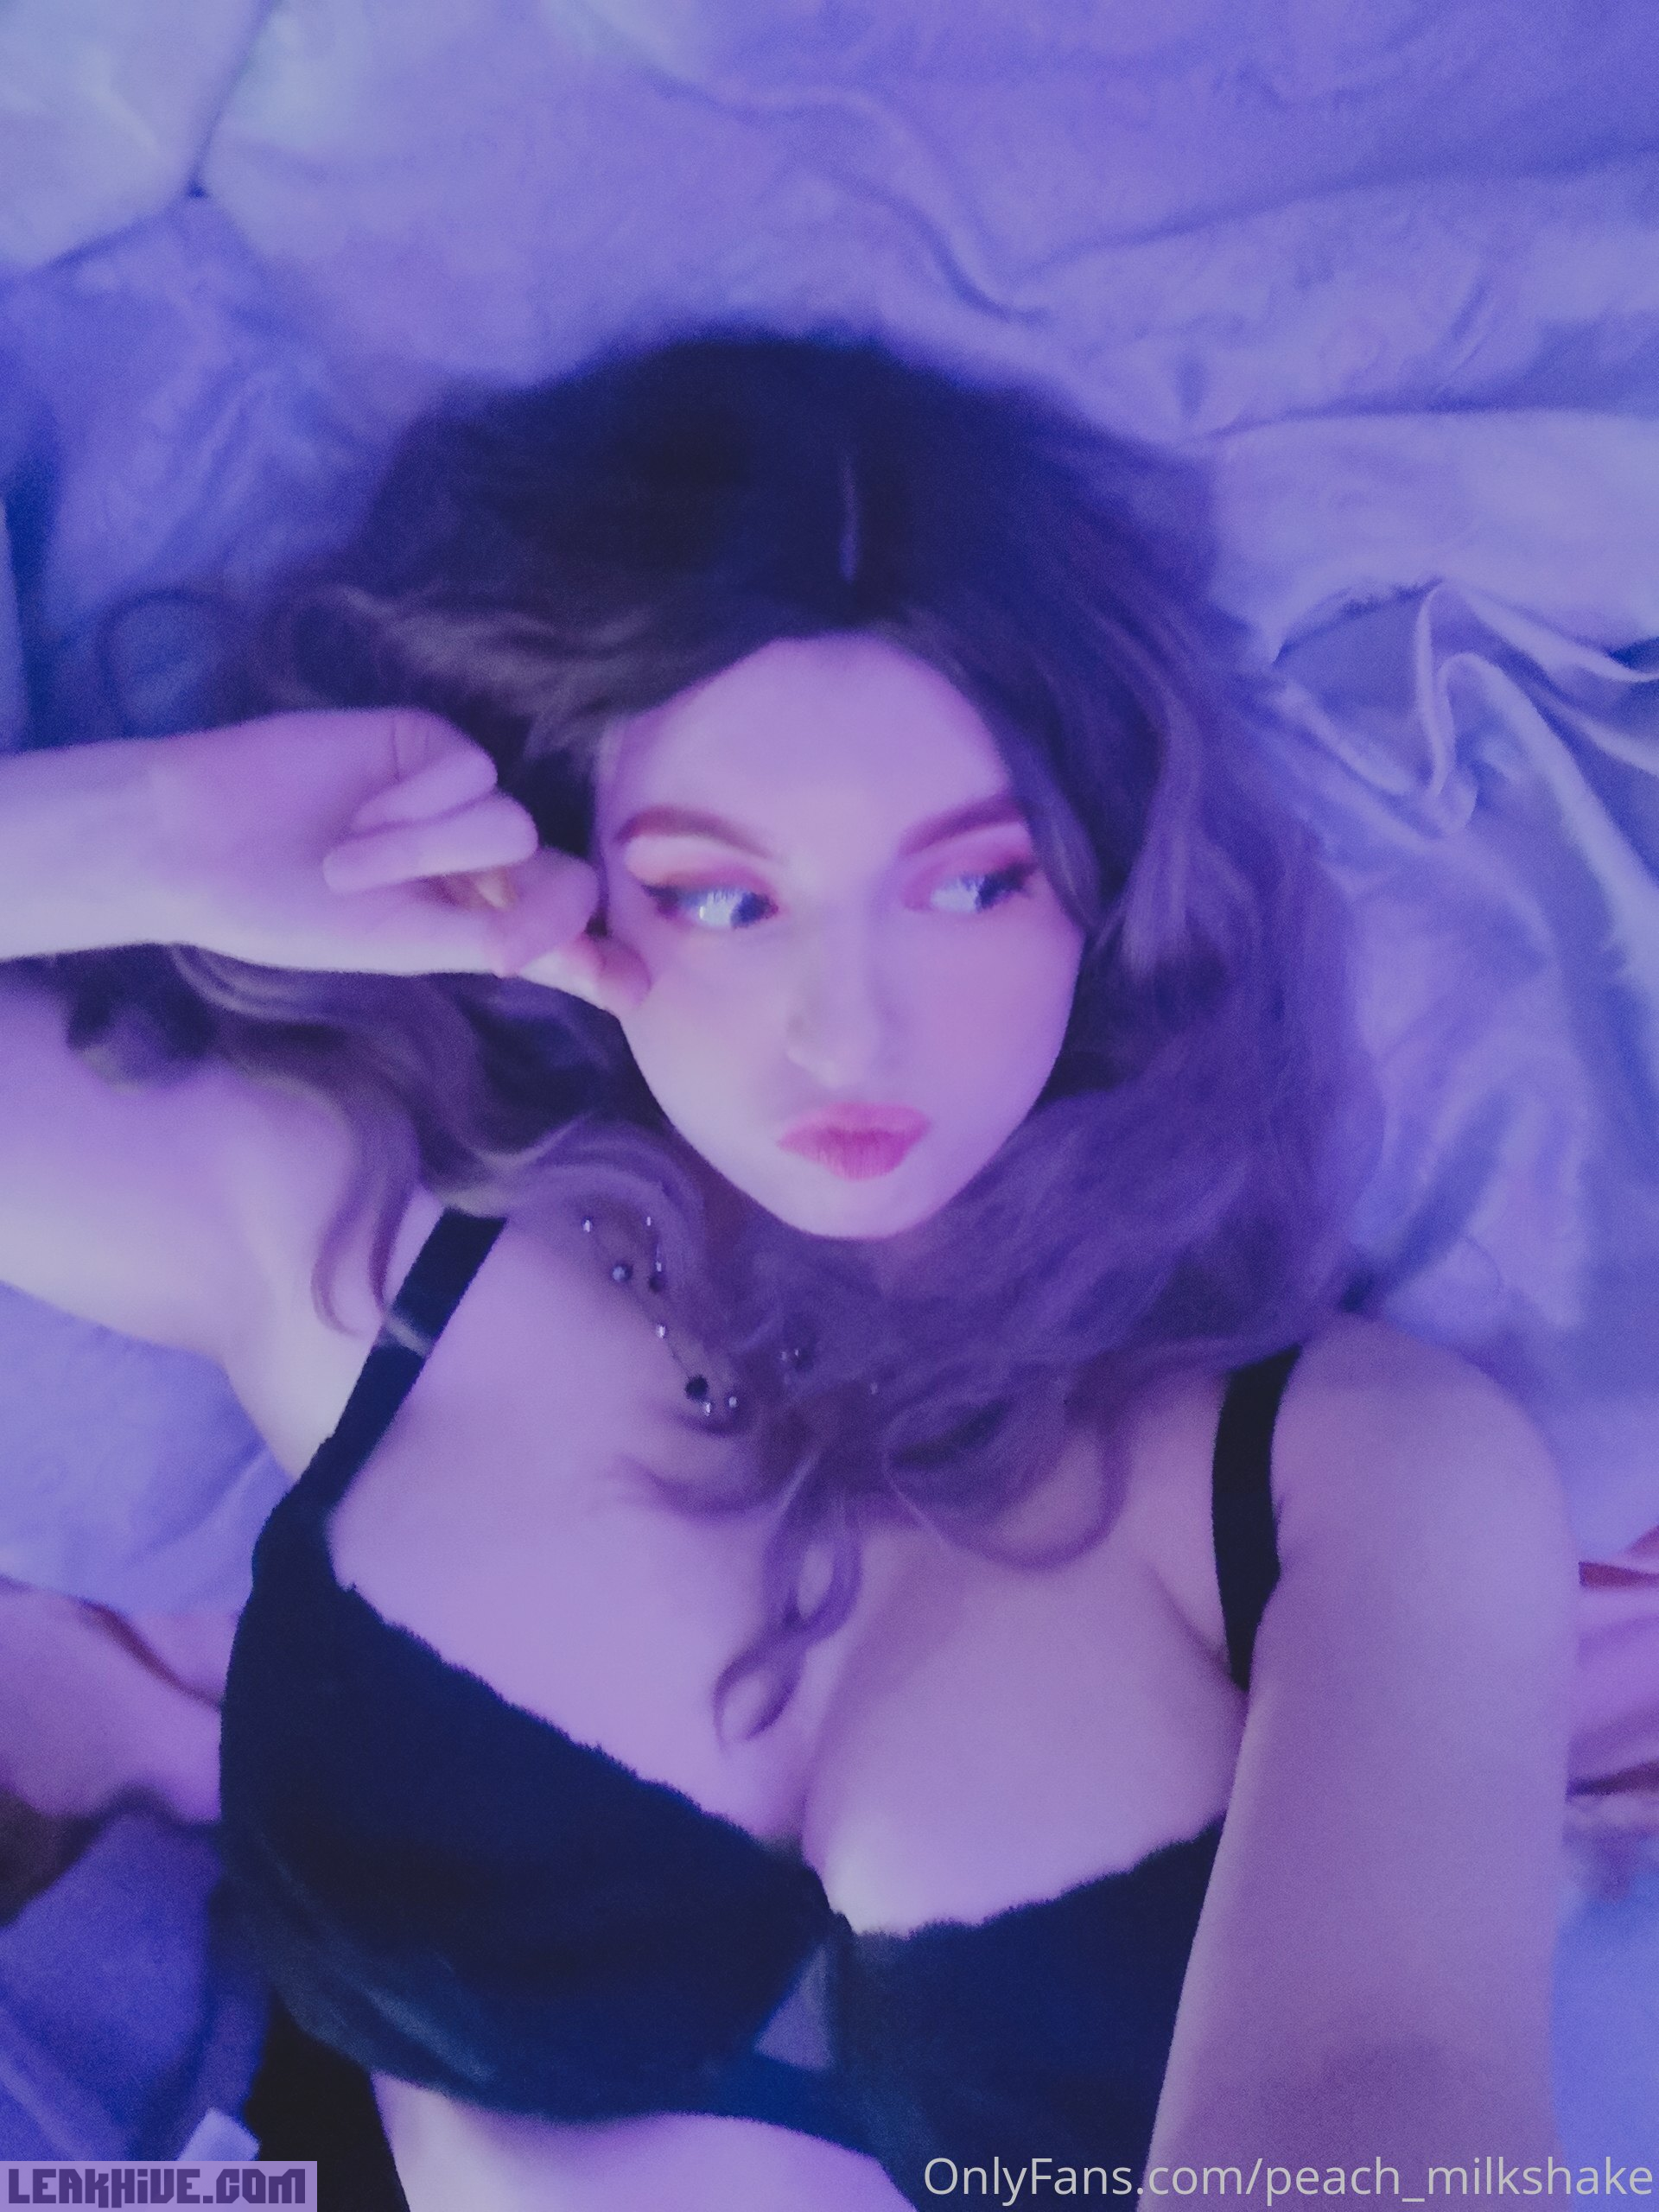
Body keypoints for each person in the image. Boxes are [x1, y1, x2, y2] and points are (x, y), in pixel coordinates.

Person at [0, 332, 1574, 2209]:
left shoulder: (1365, 1469)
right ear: (577, 866)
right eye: (724, 895)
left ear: (1109, 877)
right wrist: (157, 838)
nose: (851, 1033)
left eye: (973, 880)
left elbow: (1386, 2081)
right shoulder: (370, 1235)